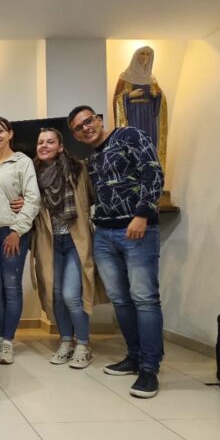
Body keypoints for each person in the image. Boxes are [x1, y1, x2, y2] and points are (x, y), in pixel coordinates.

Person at [68, 105, 164, 398]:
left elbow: (153, 172)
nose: (86, 128)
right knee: (121, 300)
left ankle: (149, 368)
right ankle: (134, 356)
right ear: (76, 136)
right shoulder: (92, 159)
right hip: (104, 234)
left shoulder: (130, 135)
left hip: (136, 230)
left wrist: (142, 214)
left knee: (144, 298)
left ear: (98, 119)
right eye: (78, 128)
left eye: (88, 121)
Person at [31, 128, 105, 370]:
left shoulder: (78, 169)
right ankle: (65, 341)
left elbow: (93, 196)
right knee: (55, 295)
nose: (44, 146)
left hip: (75, 240)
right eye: (40, 142)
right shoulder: (33, 175)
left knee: (71, 295)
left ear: (60, 146)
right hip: (49, 242)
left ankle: (83, 344)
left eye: (50, 142)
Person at [0, 116, 40, 365]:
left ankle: (7, 341)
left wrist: (17, 231)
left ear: (10, 133)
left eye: (0, 131)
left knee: (11, 287)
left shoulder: (22, 162)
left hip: (12, 233)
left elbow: (32, 199)